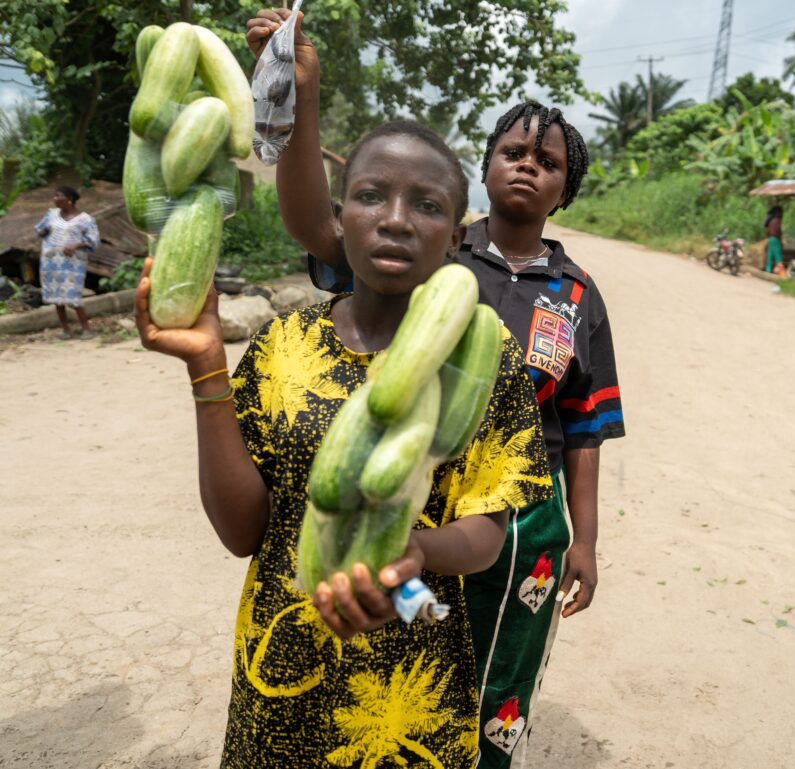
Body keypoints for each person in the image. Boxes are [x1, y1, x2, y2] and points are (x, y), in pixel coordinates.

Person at [252, 10, 626, 763]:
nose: (527, 165)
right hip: (422, 498)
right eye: (512, 151)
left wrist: (587, 537)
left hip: (524, 523)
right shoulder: (435, 245)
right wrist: (302, 97)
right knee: (416, 633)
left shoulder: (577, 292)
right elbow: (319, 230)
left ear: (567, 187)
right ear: (483, 168)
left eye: (547, 160)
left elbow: (586, 429)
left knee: (505, 658)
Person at [135, 112, 554, 766]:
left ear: (453, 237)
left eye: (426, 204)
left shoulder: (485, 351)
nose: (394, 218)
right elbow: (244, 532)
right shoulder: (283, 343)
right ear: (339, 218)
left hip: (409, 696)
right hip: (280, 671)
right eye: (370, 195)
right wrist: (206, 364)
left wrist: (412, 550)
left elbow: (486, 533)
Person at [35, 185, 99, 338]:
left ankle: (86, 329)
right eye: (54, 196)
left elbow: (94, 241)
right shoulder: (51, 214)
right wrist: (44, 231)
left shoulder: (85, 219)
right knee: (57, 297)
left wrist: (76, 245)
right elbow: (40, 230)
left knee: (74, 295)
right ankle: (66, 330)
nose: (55, 199)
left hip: (72, 264)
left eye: (59, 196)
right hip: (50, 262)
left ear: (69, 200)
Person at [764, 205, 783, 274]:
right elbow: (778, 230)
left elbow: (768, 231)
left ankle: (768, 271)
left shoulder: (771, 220)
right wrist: (780, 239)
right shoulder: (778, 220)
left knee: (770, 256)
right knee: (778, 257)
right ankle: (781, 272)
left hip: (770, 239)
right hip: (775, 239)